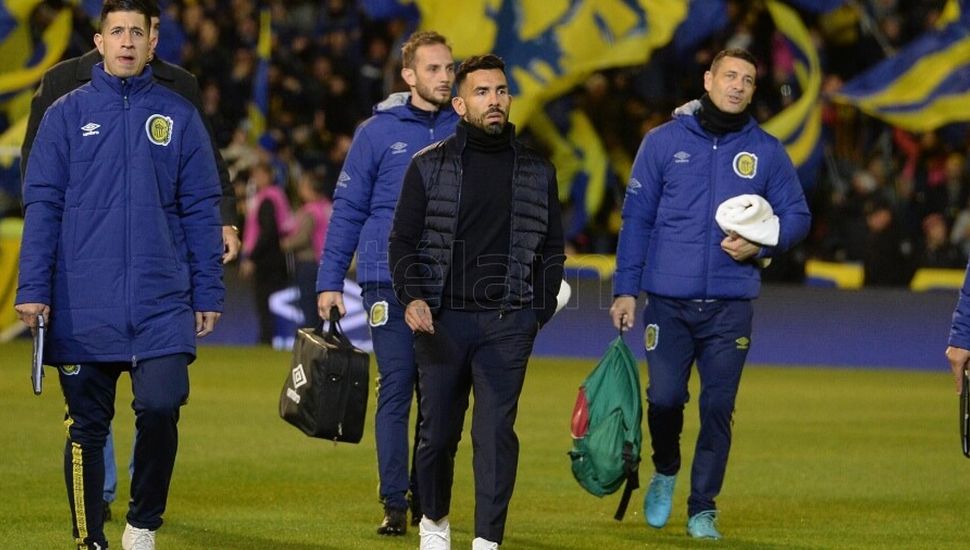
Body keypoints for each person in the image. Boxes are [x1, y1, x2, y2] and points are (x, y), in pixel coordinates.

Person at [19, 0, 239, 523]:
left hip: (160, 300)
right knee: (87, 429)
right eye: (116, 31)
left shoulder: (178, 113)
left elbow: (201, 206)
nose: (126, 41)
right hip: (82, 300)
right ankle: (89, 537)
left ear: (151, 43)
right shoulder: (64, 112)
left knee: (162, 407)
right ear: (99, 42)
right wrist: (33, 288)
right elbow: (42, 206)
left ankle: (143, 524)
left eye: (135, 33)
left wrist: (208, 292)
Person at [609, 48, 811, 541]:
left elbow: (799, 216)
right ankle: (666, 467)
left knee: (718, 408)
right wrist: (625, 291)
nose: (738, 85)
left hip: (730, 306)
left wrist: (764, 242)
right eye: (730, 76)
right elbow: (636, 220)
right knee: (665, 401)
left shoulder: (765, 150)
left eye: (747, 78)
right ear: (708, 79)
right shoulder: (662, 142)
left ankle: (703, 507)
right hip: (669, 304)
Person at [388, 54, 565, 550]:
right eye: (483, 93)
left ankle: (487, 540)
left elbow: (552, 249)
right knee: (438, 435)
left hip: (508, 323)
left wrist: (537, 312)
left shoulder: (538, 170)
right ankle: (435, 524)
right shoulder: (428, 166)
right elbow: (401, 241)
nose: (495, 100)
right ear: (461, 104)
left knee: (495, 436)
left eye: (502, 91)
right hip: (442, 323)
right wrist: (414, 298)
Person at [315, 30, 459, 535]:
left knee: (437, 394)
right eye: (434, 69)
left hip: (449, 283)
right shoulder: (375, 132)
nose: (444, 77)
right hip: (386, 280)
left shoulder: (467, 126)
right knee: (397, 385)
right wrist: (330, 278)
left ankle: (428, 497)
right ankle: (396, 502)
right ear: (409, 75)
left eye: (449, 68)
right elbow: (349, 208)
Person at [240, 161, 293, 346]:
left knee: (264, 302)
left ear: (269, 176)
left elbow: (267, 231)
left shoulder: (267, 198)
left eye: (259, 174)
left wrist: (252, 257)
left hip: (266, 258)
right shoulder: (276, 196)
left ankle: (266, 339)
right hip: (274, 256)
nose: (256, 179)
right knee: (267, 302)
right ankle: (268, 338)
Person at [282, 170, 331, 328]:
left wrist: (284, 244)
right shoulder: (328, 207)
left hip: (309, 261)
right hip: (326, 261)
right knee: (321, 303)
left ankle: (311, 336)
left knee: (308, 303)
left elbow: (303, 238)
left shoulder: (310, 210)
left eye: (303, 186)